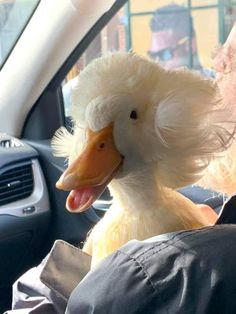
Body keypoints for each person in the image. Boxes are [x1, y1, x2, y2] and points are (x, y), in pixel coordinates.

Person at [148, 3, 210, 75]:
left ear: (191, 46)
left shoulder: (216, 84)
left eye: (165, 54)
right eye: (153, 56)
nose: (157, 65)